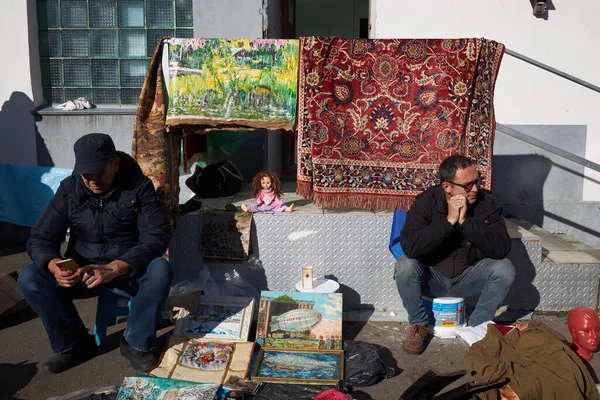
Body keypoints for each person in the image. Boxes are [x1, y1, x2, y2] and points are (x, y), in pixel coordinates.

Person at [18, 133, 173, 373]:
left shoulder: (138, 187)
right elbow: (41, 237)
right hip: (83, 272)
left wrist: (115, 267)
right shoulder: (70, 190)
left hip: (126, 270)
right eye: (86, 174)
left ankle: (136, 343)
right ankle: (74, 344)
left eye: (99, 171)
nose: (93, 180)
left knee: (160, 269)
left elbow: (157, 235)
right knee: (30, 276)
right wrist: (54, 264)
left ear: (115, 163)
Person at [395, 155, 514, 355]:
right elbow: (410, 247)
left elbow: (501, 249)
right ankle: (418, 325)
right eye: (467, 185)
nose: (475, 188)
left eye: (477, 182)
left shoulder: (487, 204)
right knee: (405, 265)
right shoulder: (426, 202)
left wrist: (466, 222)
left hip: (468, 276)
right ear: (447, 187)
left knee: (505, 268)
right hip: (432, 278)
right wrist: (448, 221)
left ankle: (478, 326)